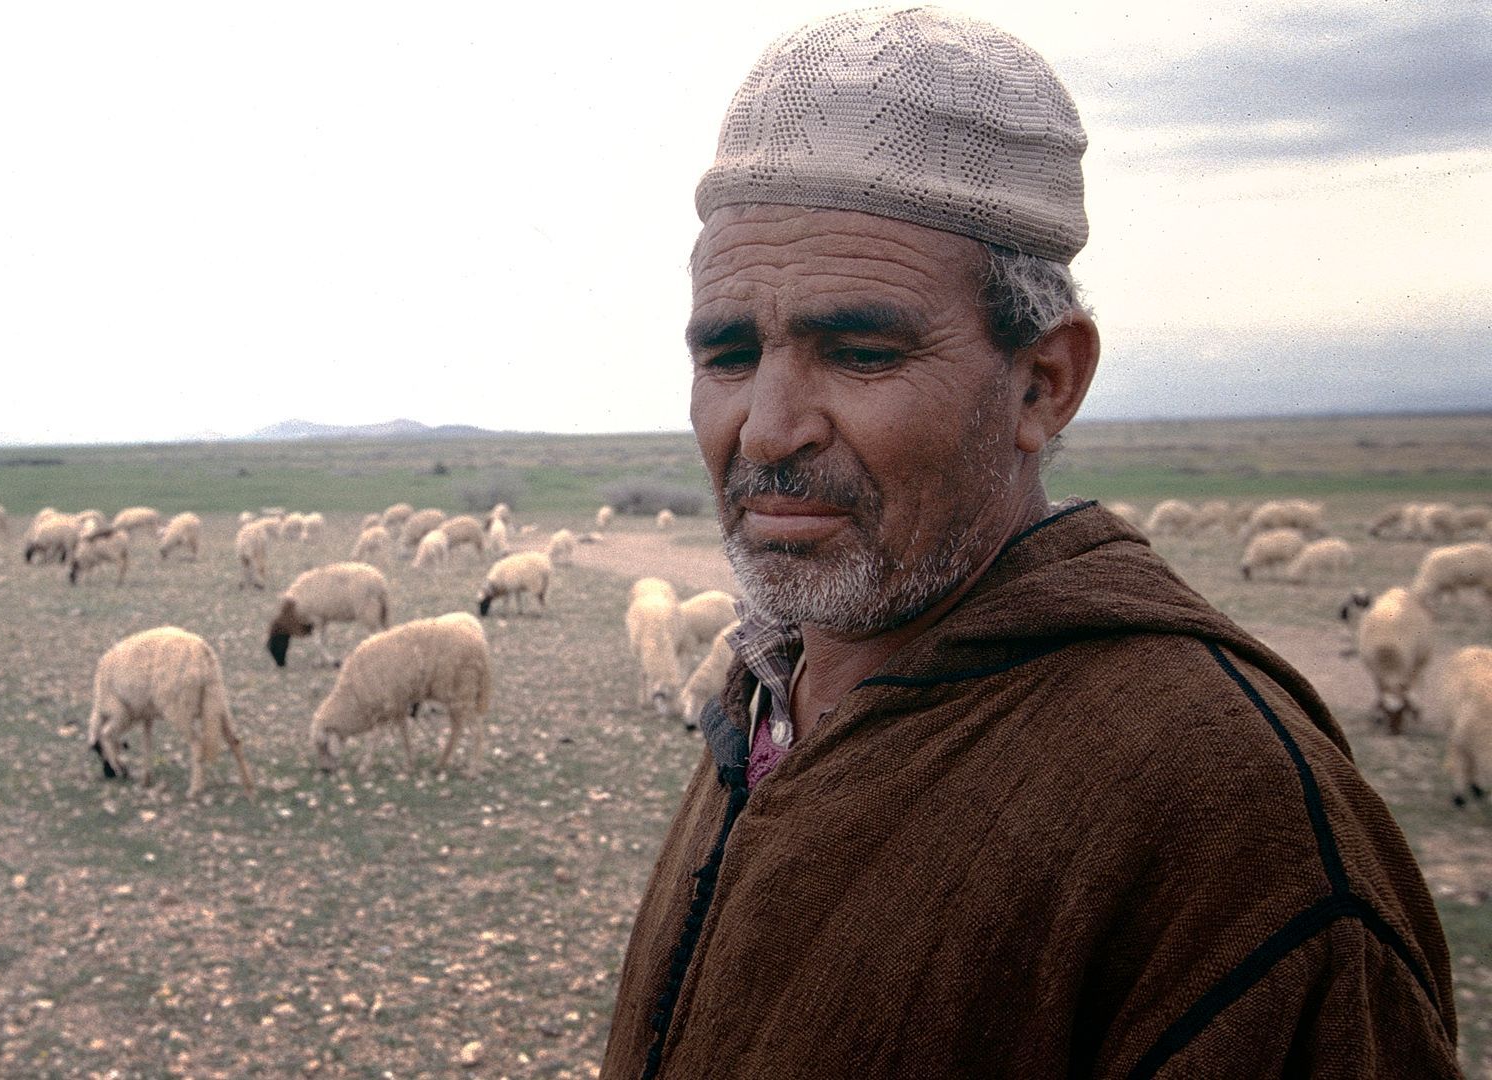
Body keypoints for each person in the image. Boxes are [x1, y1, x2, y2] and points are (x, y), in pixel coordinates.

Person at [600, 8, 1460, 1078]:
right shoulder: (769, 684)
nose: (768, 429)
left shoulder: (1231, 825)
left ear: (1043, 383)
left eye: (860, 352)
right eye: (729, 354)